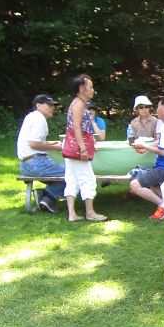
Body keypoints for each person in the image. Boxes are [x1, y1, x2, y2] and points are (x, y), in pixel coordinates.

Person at [64, 75, 106, 222]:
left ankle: (72, 214)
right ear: (81, 88)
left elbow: (78, 127)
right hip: (77, 147)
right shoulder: (79, 104)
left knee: (71, 179)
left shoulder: (76, 102)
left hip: (71, 145)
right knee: (88, 179)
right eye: (90, 87)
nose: (93, 90)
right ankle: (90, 213)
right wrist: (82, 148)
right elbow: (76, 127)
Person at [16, 94, 66, 213]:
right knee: (74, 173)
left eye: (53, 105)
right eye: (49, 105)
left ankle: (43, 195)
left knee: (70, 172)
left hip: (26, 165)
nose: (52, 108)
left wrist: (50, 143)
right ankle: (48, 196)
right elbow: (34, 144)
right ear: (38, 105)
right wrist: (56, 148)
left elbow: (32, 142)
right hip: (37, 164)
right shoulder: (39, 119)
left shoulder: (31, 117)